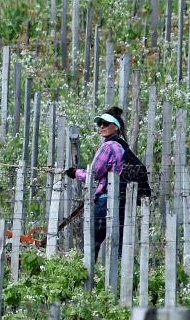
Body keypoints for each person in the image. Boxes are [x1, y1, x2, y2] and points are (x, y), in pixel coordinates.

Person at [64, 106, 149, 262]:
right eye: (100, 123)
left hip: (105, 199)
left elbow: (94, 174)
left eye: (105, 123)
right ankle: (124, 271)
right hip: (123, 199)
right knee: (121, 241)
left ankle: (86, 271)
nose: (101, 126)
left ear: (115, 127)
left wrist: (76, 173)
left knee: (92, 241)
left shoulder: (108, 146)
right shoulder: (122, 145)